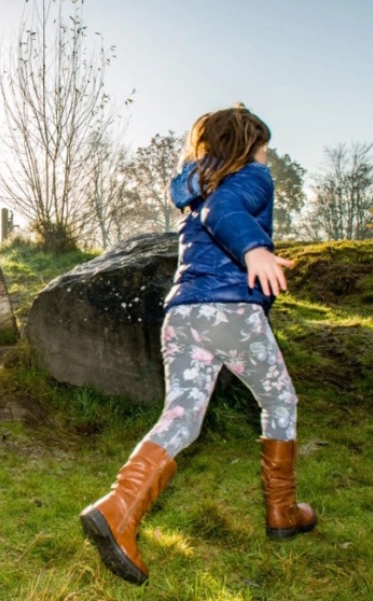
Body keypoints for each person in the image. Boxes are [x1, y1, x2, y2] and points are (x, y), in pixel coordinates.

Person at [80, 105, 317, 586]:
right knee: (280, 401)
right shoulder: (249, 178)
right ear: (248, 145)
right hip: (230, 313)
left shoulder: (199, 187)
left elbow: (211, 210)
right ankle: (283, 511)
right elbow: (224, 212)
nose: (267, 158)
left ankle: (118, 507)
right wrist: (255, 249)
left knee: (183, 418)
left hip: (182, 316)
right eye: (264, 148)